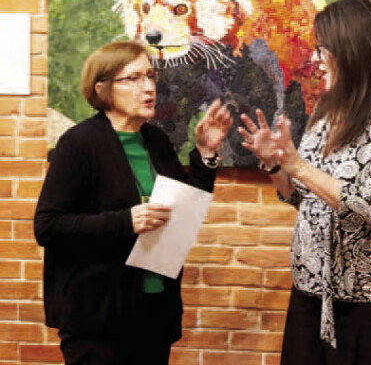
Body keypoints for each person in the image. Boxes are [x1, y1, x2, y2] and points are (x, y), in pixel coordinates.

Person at [239, 0, 371, 365]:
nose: (314, 60)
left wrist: (298, 166)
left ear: (353, 50)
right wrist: (274, 165)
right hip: (313, 294)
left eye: (322, 49)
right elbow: (302, 197)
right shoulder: (326, 112)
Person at [34, 41, 232, 365]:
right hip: (97, 318)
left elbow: (182, 206)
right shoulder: (78, 144)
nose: (148, 87)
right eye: (134, 78)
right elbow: (48, 226)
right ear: (103, 90)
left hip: (153, 311)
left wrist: (206, 154)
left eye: (151, 76)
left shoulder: (155, 140)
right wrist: (125, 221)